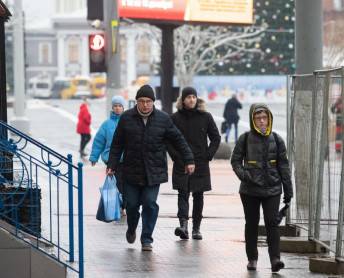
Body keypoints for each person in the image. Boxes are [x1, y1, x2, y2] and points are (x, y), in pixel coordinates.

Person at [107, 84, 195, 252]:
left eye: (148, 101)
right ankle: (132, 227)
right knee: (131, 204)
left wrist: (189, 159)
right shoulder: (126, 118)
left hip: (153, 171)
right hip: (131, 170)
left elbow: (178, 139)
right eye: (142, 101)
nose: (145, 105)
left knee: (149, 203)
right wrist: (111, 164)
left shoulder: (163, 119)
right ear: (136, 102)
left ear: (153, 102)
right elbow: (117, 144)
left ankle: (146, 238)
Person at [230, 103, 293, 273]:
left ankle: (275, 259)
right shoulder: (244, 139)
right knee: (251, 224)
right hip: (249, 190)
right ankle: (252, 259)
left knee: (272, 224)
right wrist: (245, 175)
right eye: (258, 118)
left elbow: (284, 166)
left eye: (264, 118)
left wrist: (288, 190)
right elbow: (235, 161)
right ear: (253, 120)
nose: (262, 121)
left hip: (272, 189)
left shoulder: (277, 140)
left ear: (269, 119)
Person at [167, 87, 221, 240]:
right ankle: (183, 226)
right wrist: (177, 158)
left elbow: (216, 138)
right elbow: (168, 141)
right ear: (182, 99)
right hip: (181, 162)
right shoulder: (175, 118)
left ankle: (196, 228)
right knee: (182, 193)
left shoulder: (206, 117)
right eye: (188, 97)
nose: (192, 99)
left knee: (198, 195)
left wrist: (207, 155)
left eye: (194, 97)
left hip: (200, 163)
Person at [89, 95, 126, 214]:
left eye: (120, 106)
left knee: (125, 184)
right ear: (112, 108)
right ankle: (117, 206)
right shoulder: (106, 124)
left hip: (127, 160)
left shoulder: (127, 122)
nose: (118, 108)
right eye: (115, 106)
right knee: (114, 185)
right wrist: (94, 157)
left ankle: (123, 206)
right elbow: (99, 141)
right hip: (112, 161)